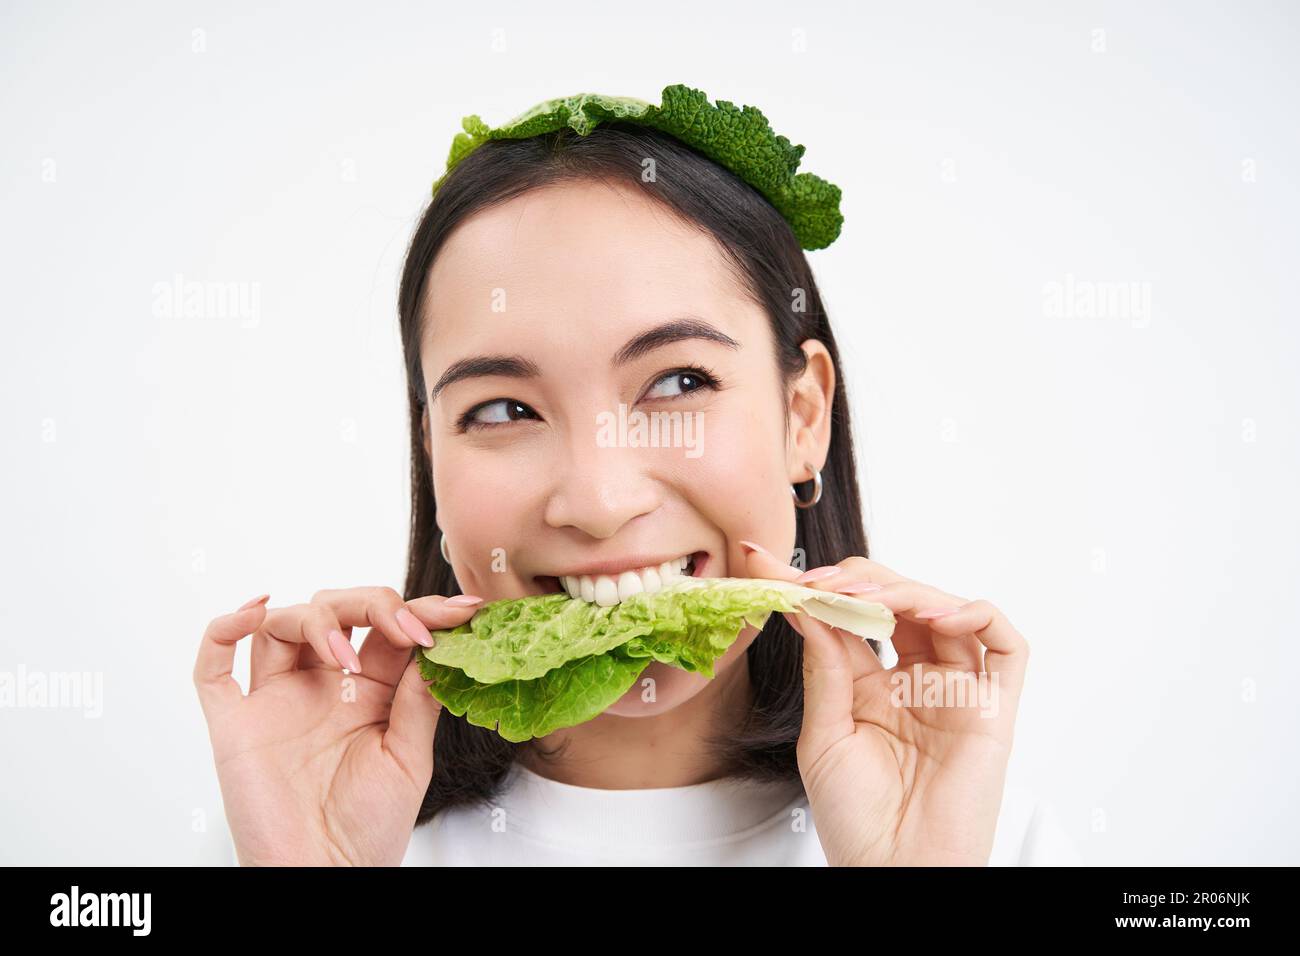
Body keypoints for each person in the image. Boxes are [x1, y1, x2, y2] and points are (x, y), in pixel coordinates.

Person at [195, 86, 1080, 866]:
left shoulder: (990, 844)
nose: (599, 501)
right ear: (431, 452)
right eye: (503, 410)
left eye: (678, 383)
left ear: (802, 417)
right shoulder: (290, 838)